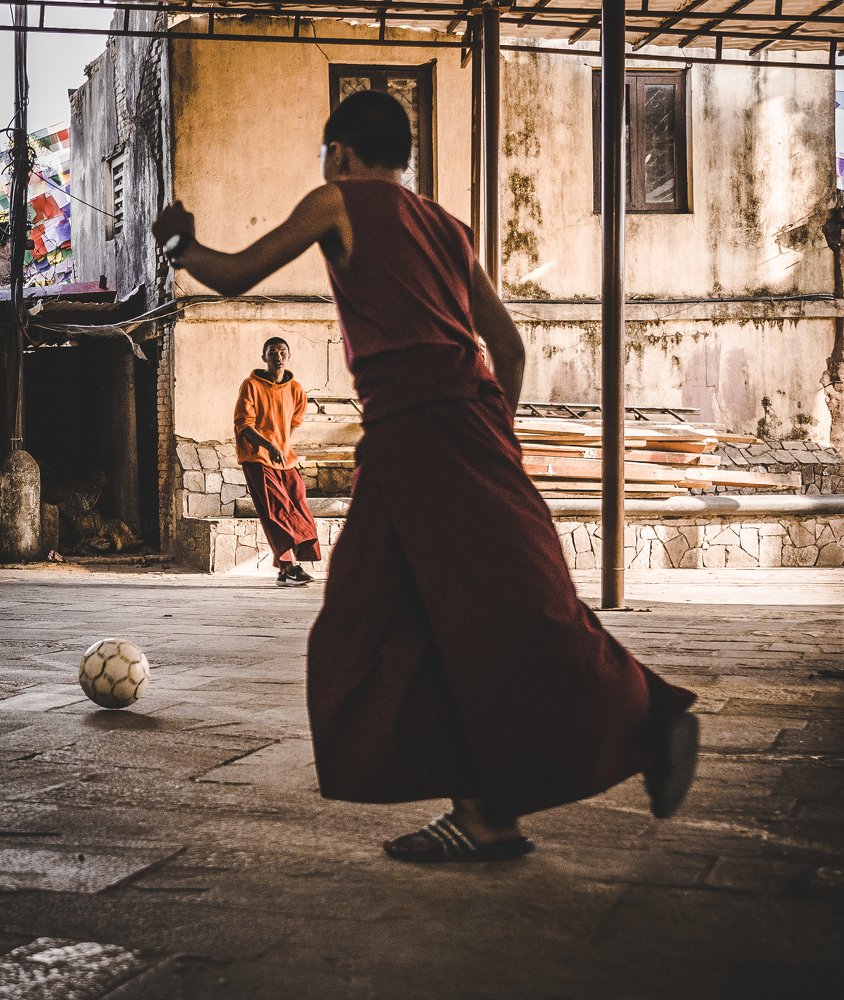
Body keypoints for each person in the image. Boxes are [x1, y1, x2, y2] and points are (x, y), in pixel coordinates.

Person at [153, 90, 698, 863]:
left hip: (414, 434)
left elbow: (238, 275)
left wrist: (179, 245)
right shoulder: (446, 225)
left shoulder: (336, 200)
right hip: (464, 423)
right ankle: (484, 817)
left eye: (326, 155)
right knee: (439, 615)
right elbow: (506, 351)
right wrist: (487, 440)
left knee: (381, 623)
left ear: (338, 151)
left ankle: (648, 718)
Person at [233, 336, 321, 587]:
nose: (278, 356)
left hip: (284, 458)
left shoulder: (296, 389)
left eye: (282, 352)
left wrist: (281, 446)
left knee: (299, 503)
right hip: (257, 456)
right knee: (277, 510)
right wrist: (268, 445)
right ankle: (290, 567)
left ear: (289, 356)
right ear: (264, 358)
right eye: (272, 352)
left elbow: (294, 422)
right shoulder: (251, 385)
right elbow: (243, 424)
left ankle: (285, 571)